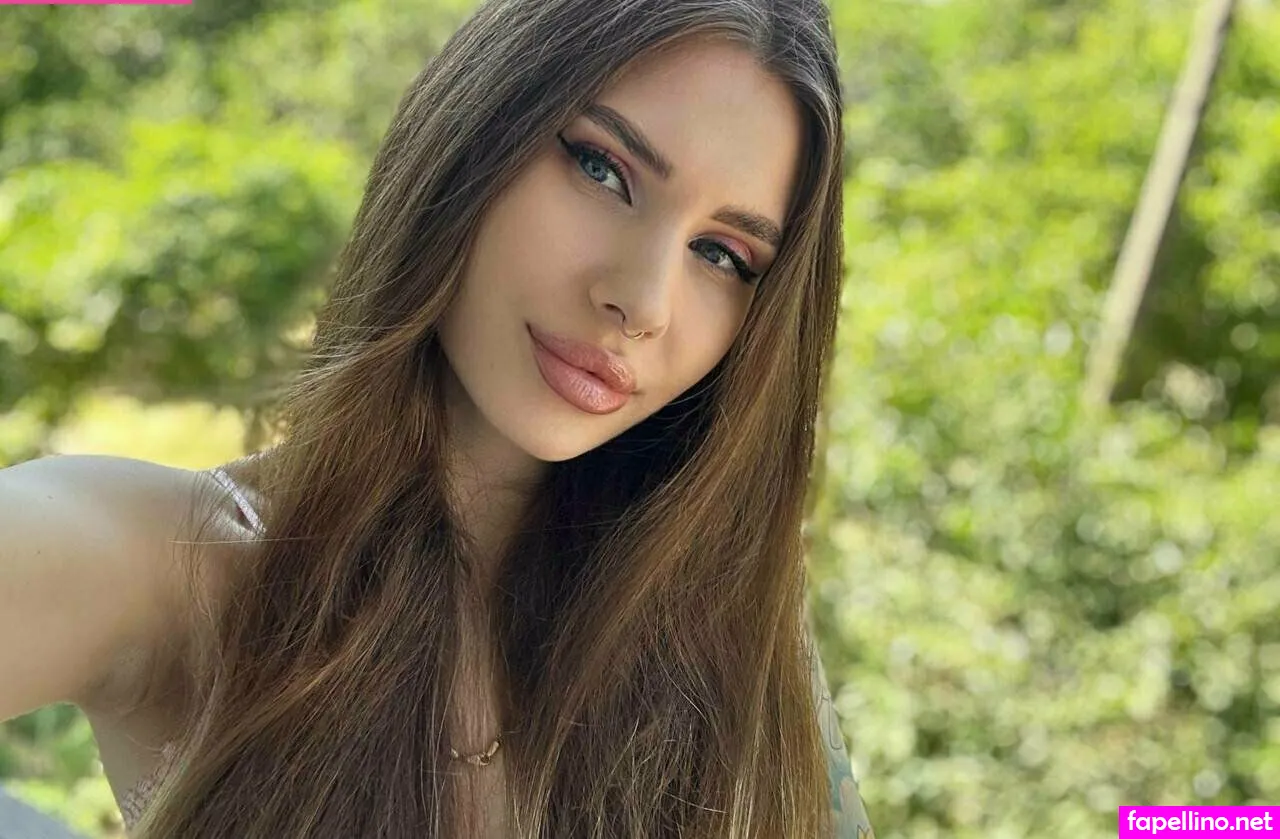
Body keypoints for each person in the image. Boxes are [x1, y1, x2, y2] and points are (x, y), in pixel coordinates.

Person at [0, 0, 874, 835]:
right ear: (474, 135)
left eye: (721, 253)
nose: (642, 301)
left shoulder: (721, 640)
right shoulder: (181, 566)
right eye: (603, 170)